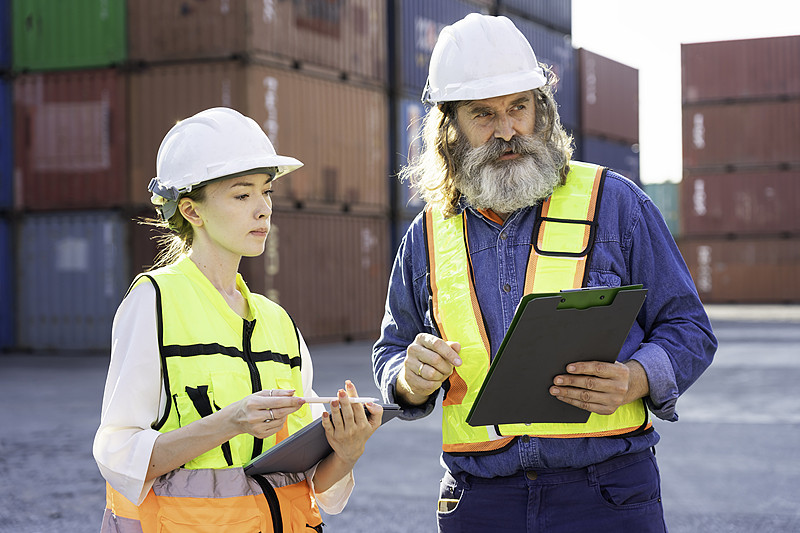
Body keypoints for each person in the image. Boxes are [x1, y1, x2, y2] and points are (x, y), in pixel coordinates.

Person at [372, 13, 716, 532]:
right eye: (483, 114)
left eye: (519, 107)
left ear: (542, 108)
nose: (507, 130)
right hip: (479, 499)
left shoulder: (615, 203)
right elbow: (392, 350)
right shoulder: (426, 234)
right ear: (450, 129)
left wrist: (636, 379)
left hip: (606, 492)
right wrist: (407, 379)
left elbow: (689, 328)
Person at [93, 107, 383, 532]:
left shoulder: (277, 322)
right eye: (242, 195)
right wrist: (231, 422)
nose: (264, 209)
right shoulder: (154, 302)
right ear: (192, 211)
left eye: (267, 192)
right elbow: (120, 457)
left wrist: (347, 449)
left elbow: (312, 484)